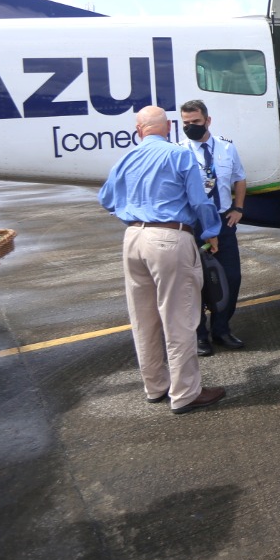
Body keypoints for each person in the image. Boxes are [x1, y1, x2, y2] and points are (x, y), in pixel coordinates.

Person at [98, 107, 226, 414]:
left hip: (133, 238)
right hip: (169, 237)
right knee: (179, 317)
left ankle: (155, 386)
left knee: (143, 319)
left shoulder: (126, 158)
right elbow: (199, 201)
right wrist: (211, 231)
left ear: (138, 130)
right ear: (168, 126)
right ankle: (185, 393)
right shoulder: (179, 155)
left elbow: (106, 199)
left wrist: (135, 212)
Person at [179, 100, 247, 357]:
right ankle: (199, 336)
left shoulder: (227, 148)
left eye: (195, 122)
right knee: (194, 283)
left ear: (208, 121)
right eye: (186, 123)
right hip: (194, 225)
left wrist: (238, 208)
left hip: (223, 222)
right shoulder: (179, 152)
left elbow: (240, 178)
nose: (190, 127)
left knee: (231, 278)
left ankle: (221, 329)